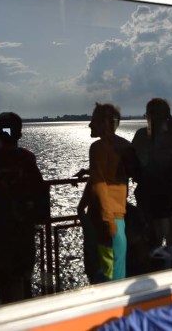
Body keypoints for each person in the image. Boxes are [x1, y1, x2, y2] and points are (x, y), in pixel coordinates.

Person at [0, 112, 50, 303]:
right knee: (23, 283)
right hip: (23, 229)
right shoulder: (27, 158)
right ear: (20, 135)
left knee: (4, 285)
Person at [75, 103, 139, 282]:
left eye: (93, 120)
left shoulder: (97, 147)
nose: (89, 125)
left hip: (100, 217)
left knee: (98, 269)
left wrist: (81, 208)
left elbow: (98, 181)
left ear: (104, 122)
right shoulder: (126, 146)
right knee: (116, 268)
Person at [131, 98, 172, 266]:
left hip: (151, 196)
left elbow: (136, 162)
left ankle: (153, 273)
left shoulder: (142, 135)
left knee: (150, 240)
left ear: (150, 116)